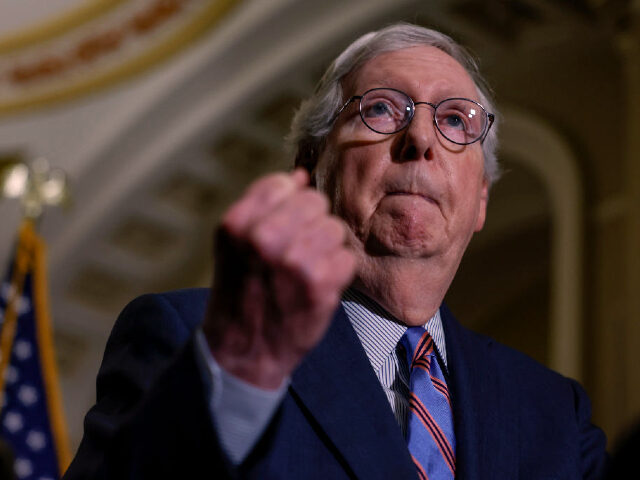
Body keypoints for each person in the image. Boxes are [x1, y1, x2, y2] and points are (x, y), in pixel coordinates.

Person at [63, 23, 608, 479]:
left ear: (482, 199)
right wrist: (238, 378)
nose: (420, 138)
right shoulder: (189, 340)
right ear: (310, 171)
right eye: (381, 109)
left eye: (453, 121)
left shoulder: (555, 414)